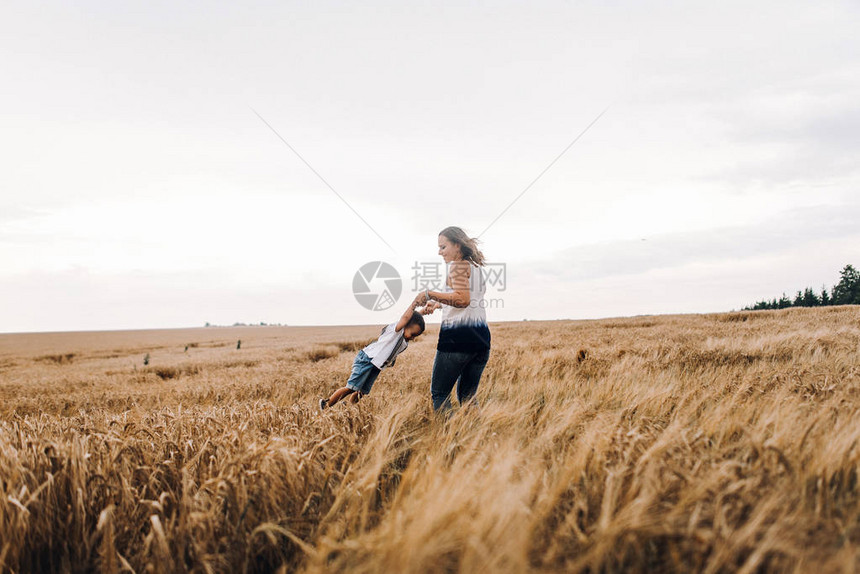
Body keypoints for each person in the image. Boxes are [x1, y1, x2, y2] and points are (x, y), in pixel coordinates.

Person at [416, 226, 491, 412]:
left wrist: (429, 294)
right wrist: (439, 304)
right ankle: (478, 438)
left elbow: (463, 300)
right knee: (468, 398)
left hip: (458, 339)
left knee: (440, 394)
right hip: (481, 339)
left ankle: (448, 440)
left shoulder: (457, 267)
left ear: (457, 245)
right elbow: (468, 299)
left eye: (443, 247)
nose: (439, 252)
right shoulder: (475, 268)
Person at [319, 298, 426, 410]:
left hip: (376, 365)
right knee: (352, 388)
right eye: (413, 334)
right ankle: (326, 404)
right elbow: (406, 318)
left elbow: (413, 319)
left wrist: (423, 311)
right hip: (367, 359)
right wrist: (414, 304)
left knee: (362, 391)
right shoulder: (396, 331)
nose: (413, 338)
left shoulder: (404, 338)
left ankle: (350, 408)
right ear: (405, 324)